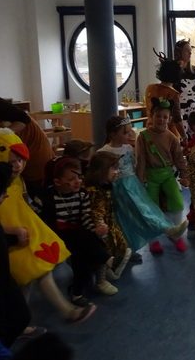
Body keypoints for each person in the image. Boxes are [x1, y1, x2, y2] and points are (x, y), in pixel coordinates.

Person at [0, 129, 94, 324]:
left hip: (22, 237)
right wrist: (12, 231)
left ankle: (26, 321)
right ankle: (47, 316)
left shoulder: (16, 181)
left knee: (33, 275)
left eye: (20, 161)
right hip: (5, 240)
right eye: (12, 162)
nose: (18, 166)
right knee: (27, 277)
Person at [97, 116, 186, 258]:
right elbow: (101, 174)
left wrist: (140, 180)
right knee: (124, 220)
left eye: (129, 131)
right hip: (118, 189)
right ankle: (128, 249)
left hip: (133, 186)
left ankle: (168, 229)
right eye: (125, 132)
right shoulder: (103, 152)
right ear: (113, 134)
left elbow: (135, 165)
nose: (129, 135)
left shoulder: (128, 148)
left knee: (146, 210)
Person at [33, 157, 116, 303]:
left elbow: (85, 217)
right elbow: (33, 217)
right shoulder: (45, 196)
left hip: (78, 236)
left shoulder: (82, 194)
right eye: (71, 179)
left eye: (79, 177)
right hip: (55, 236)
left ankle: (77, 293)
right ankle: (107, 259)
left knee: (82, 261)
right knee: (81, 237)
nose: (78, 181)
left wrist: (96, 229)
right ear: (57, 181)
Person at [0, 156, 30, 357]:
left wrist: (12, 238)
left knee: (20, 318)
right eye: (1, 191)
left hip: (2, 285)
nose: (5, 195)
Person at [136, 99, 188, 253]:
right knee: (151, 207)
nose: (161, 119)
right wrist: (140, 180)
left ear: (169, 119)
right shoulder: (143, 137)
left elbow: (179, 158)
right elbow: (140, 160)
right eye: (158, 116)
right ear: (151, 116)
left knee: (177, 202)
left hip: (167, 175)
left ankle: (176, 234)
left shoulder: (172, 137)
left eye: (165, 117)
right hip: (150, 176)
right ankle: (153, 240)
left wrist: (184, 174)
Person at [0, 89, 54, 196]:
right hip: (15, 153)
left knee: (38, 190)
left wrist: (2, 135)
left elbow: (23, 118)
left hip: (34, 150)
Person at [84, 152, 132, 280]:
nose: (117, 172)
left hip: (110, 224)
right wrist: (100, 224)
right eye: (114, 168)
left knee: (121, 248)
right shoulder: (94, 191)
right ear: (102, 170)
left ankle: (109, 272)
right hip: (100, 229)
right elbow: (95, 211)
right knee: (105, 253)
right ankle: (102, 278)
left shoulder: (106, 186)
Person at [145, 55, 185, 142]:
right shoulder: (173, 94)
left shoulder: (150, 88)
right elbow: (177, 119)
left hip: (149, 131)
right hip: (168, 134)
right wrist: (184, 136)